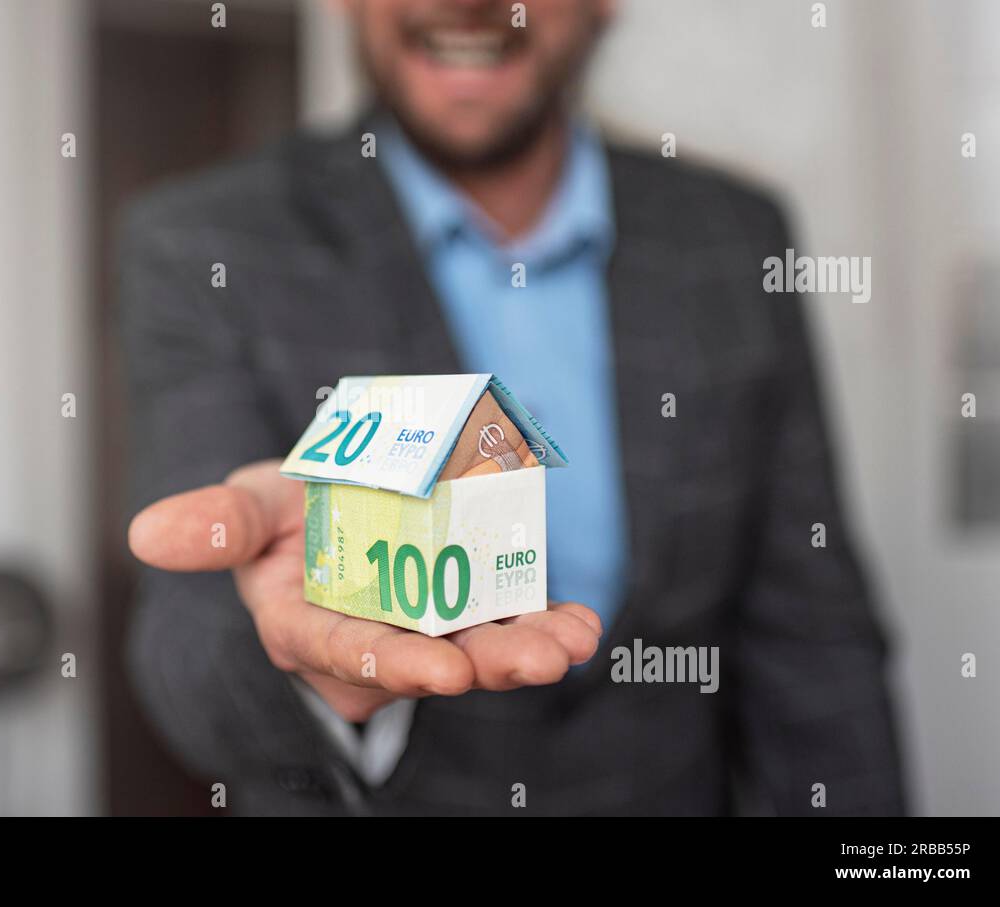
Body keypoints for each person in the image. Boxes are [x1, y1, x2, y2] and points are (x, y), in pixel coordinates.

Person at [118, 0, 905, 815]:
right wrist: (312, 673)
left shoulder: (734, 238)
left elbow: (814, 638)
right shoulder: (201, 243)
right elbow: (188, 654)